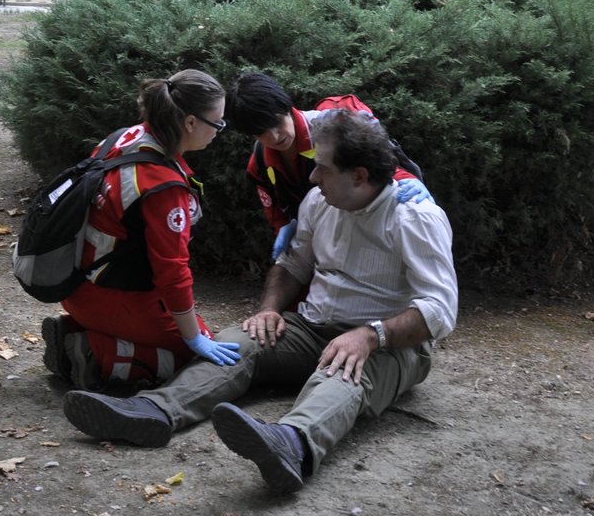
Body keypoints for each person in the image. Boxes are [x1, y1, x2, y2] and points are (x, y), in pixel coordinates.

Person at [61, 109, 457, 493]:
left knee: (344, 372)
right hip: (312, 326)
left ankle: (293, 443)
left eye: (324, 169)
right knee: (237, 343)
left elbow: (440, 309)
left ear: (360, 176)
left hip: (388, 344)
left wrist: (369, 336)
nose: (314, 176)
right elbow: (291, 265)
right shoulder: (320, 201)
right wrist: (269, 309)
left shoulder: (414, 216)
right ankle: (154, 411)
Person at [41, 69, 243, 388]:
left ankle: (80, 330)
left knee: (198, 341)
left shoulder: (125, 138)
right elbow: (172, 273)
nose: (220, 130)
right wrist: (193, 337)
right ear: (190, 123)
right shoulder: (162, 186)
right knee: (199, 360)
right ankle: (93, 351)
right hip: (112, 297)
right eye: (217, 123)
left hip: (76, 283)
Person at [225, 72, 424, 260]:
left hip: (368, 236)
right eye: (261, 133)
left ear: (286, 106)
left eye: (276, 122)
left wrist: (407, 181)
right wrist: (286, 227)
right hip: (315, 247)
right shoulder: (260, 163)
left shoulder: (335, 126)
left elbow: (378, 163)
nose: (274, 136)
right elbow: (276, 211)